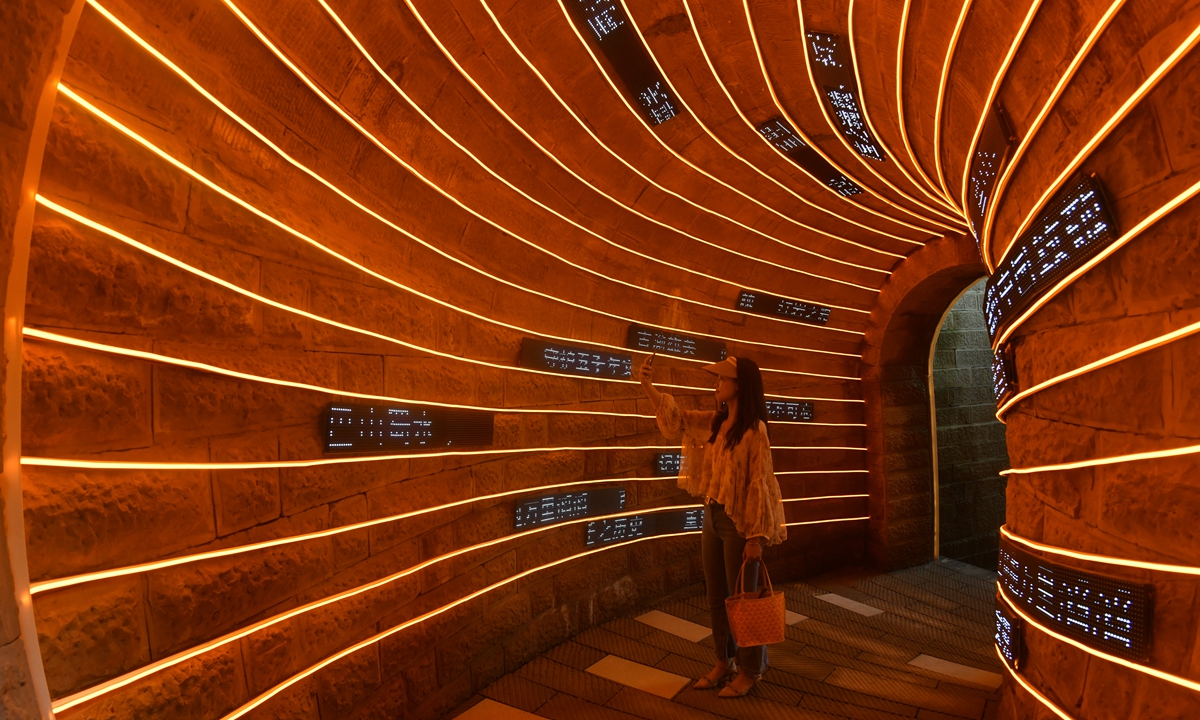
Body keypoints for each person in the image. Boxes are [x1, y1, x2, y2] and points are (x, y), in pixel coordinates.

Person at [639, 354, 787, 698]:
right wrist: (648, 385)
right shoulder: (717, 423)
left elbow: (760, 484)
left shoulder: (754, 430)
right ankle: (724, 661)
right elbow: (676, 421)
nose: (716, 384)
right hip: (713, 515)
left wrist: (755, 538)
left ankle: (750, 670)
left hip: (740, 524)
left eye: (723, 378)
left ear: (741, 385)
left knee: (744, 598)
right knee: (717, 596)